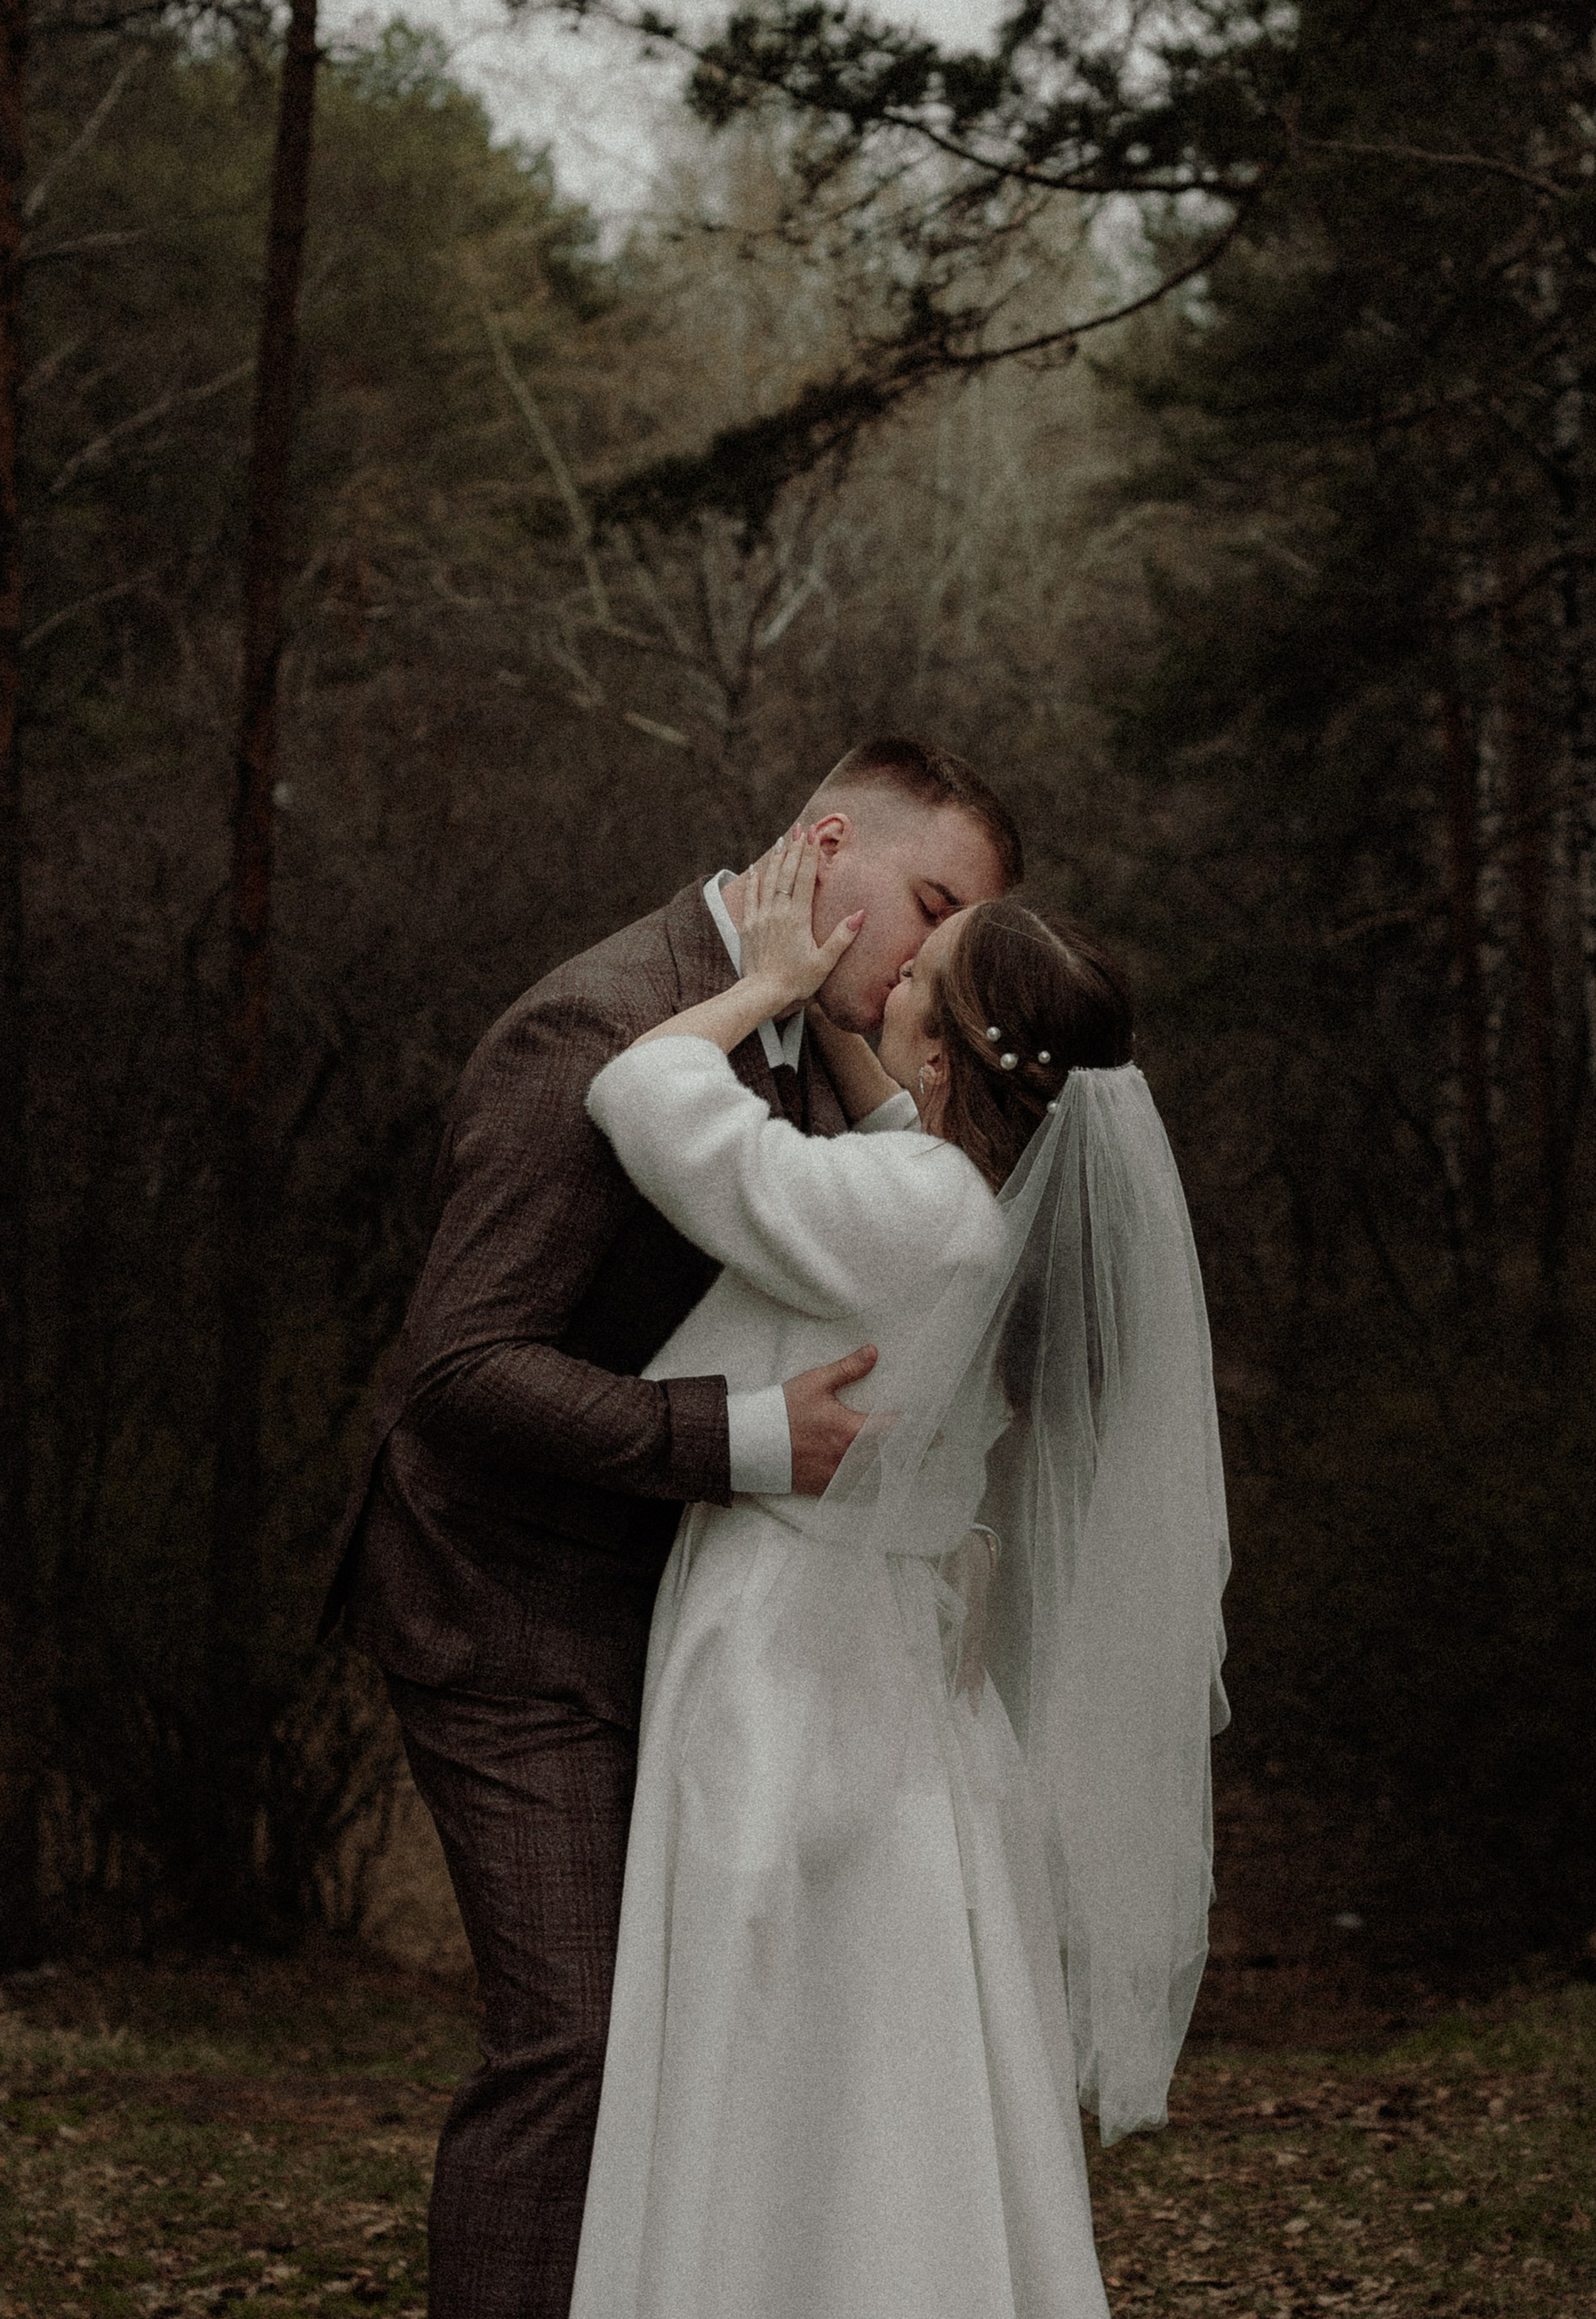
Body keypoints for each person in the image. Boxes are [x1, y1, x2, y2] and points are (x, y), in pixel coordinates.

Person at [321, 738, 1021, 2319]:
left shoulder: (812, 1025)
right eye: (928, 905)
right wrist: (757, 1442)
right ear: (827, 844)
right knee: (574, 2041)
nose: (933, 960)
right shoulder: (592, 1022)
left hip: (672, 1612)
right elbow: (455, 1374)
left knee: (694, 2026)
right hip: (503, 1607)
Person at [569, 834, 1232, 2319]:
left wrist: (769, 985)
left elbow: (645, 1100)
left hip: (789, 1654)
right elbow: (898, 1143)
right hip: (898, 1660)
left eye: (913, 979)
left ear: (949, 1043)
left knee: (767, 2022)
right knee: (896, 2034)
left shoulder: (916, 1218)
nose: (887, 980)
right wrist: (883, 1049)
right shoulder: (981, 1215)